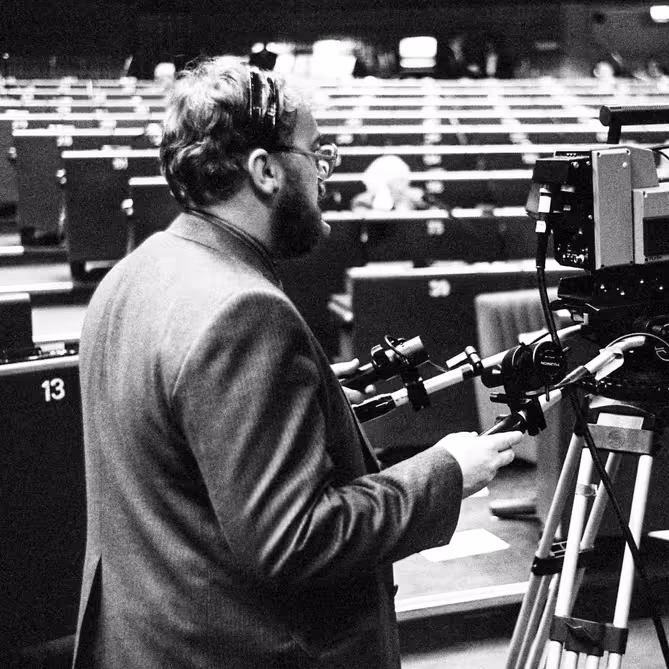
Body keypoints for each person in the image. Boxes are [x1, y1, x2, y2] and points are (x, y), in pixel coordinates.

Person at [72, 56, 523, 669]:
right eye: (317, 154)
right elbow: (295, 540)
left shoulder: (130, 275)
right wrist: (444, 471)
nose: (325, 176)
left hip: (143, 639)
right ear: (265, 171)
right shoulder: (244, 311)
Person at [350, 155, 429, 212]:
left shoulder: (414, 198)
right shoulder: (362, 201)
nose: (404, 185)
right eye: (399, 181)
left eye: (403, 180)